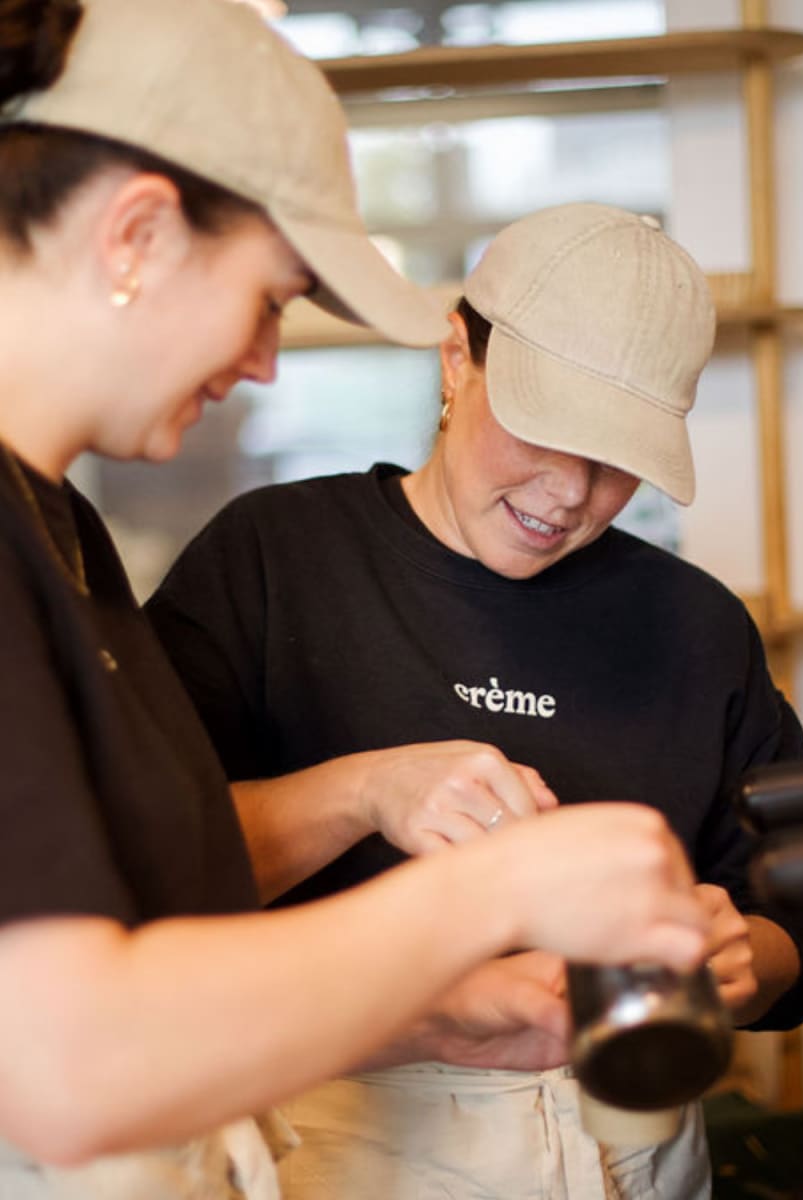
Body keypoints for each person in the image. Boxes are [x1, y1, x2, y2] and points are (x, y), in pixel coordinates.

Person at [0, 4, 713, 1197]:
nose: (266, 362)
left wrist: (428, 1012)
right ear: (136, 237)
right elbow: (62, 1064)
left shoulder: (58, 531)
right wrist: (496, 889)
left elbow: (145, 943)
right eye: (272, 296)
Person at [146, 201, 803, 1198]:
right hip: (336, 1137)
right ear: (455, 360)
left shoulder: (694, 626)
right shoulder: (273, 562)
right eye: (545, 429)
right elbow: (145, 881)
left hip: (632, 1150)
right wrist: (362, 791)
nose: (569, 493)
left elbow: (801, 917)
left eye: (617, 460)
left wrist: (747, 959)